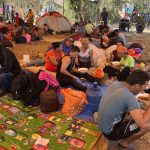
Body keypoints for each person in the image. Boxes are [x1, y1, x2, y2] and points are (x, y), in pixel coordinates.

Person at [98, 70, 150, 149]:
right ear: (136, 86)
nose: (142, 91)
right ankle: (124, 143)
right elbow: (143, 124)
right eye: (143, 88)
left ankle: (124, 131)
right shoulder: (130, 98)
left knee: (140, 114)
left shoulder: (117, 84)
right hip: (111, 133)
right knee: (147, 126)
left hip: (103, 126)